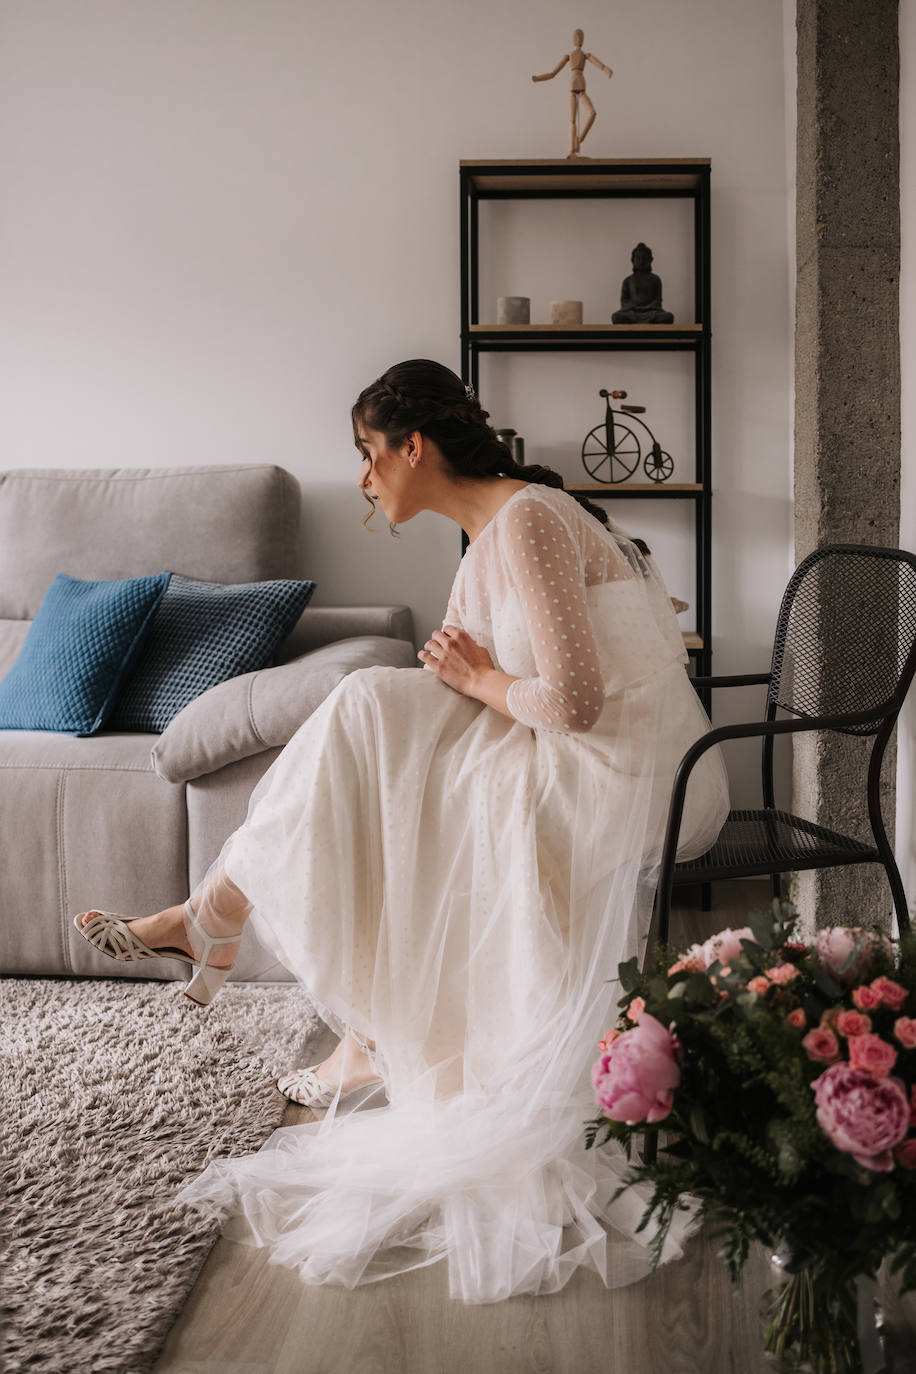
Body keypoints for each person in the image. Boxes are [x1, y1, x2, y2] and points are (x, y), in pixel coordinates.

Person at [75, 359, 729, 1302]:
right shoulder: (489, 536)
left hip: (624, 772)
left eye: (367, 454)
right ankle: (252, 941)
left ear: (413, 446)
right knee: (370, 714)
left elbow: (576, 703)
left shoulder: (530, 521)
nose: (363, 478)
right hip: (569, 749)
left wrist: (468, 685)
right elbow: (443, 690)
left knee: (380, 727)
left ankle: (226, 925)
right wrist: (426, 706)